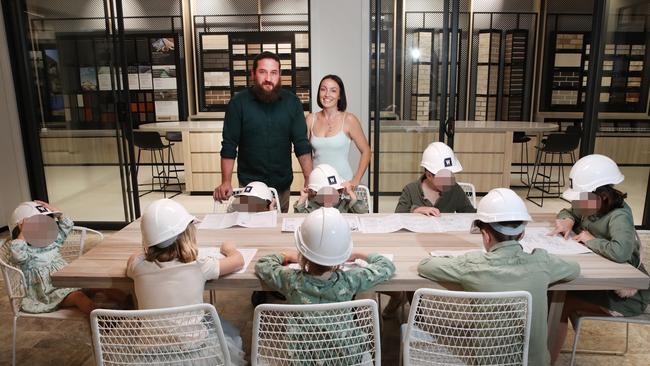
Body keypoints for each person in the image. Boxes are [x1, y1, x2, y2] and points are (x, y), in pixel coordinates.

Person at [418, 188, 580, 366]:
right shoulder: (543, 262)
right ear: (522, 233)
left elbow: (425, 266)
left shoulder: (472, 265)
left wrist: (456, 260)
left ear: (486, 236)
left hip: (489, 362)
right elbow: (574, 269)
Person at [548, 154, 650, 363]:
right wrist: (567, 221)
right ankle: (542, 343)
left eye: (582, 197)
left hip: (627, 296)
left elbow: (620, 252)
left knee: (560, 301)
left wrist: (590, 239)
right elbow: (569, 210)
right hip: (601, 283)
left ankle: (548, 360)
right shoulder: (590, 204)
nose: (579, 203)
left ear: (602, 196)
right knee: (552, 296)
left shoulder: (619, 216)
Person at [126, 198, 246, 365]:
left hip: (150, 356)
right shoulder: (199, 265)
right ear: (187, 235)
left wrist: (149, 248)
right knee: (229, 331)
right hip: (195, 354)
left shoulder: (137, 266)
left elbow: (133, 258)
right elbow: (238, 261)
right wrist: (230, 249)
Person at [215, 51, 313, 212]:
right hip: (249, 186)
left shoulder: (292, 103)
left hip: (282, 185)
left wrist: (309, 179)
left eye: (274, 72)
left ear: (280, 74)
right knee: (250, 231)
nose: (268, 78)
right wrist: (226, 181)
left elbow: (301, 144)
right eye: (263, 72)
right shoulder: (238, 103)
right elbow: (229, 146)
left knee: (277, 231)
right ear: (253, 74)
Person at [8, 201, 127, 314]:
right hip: (50, 294)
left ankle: (128, 301)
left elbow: (67, 225)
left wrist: (57, 212)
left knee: (98, 285)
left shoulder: (52, 243)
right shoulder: (26, 252)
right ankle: (100, 318)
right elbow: (17, 255)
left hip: (69, 282)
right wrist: (23, 233)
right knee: (78, 297)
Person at [255, 207, 395, 304]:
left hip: (301, 346)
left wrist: (286, 256)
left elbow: (263, 264)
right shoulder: (350, 281)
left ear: (302, 254)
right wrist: (359, 254)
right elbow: (387, 266)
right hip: (345, 346)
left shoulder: (290, 280)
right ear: (341, 256)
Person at [306, 75, 371, 191]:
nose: (327, 94)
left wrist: (356, 180)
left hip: (343, 185)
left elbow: (366, 151)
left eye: (333, 90)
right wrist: (308, 178)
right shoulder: (311, 119)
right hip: (317, 185)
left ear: (340, 95)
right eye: (323, 89)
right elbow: (304, 154)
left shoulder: (349, 120)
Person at [395, 141, 476, 215]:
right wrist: (416, 210)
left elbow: (470, 213)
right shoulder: (410, 190)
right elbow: (398, 215)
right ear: (429, 175)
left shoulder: (455, 189)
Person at [294, 163, 368, 214]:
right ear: (315, 193)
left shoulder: (344, 204)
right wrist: (303, 198)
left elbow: (362, 211)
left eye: (334, 191)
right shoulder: (314, 207)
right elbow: (299, 218)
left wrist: (350, 193)